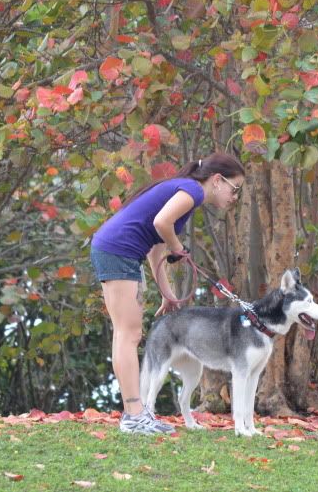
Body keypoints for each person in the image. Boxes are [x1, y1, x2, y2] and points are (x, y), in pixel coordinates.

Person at [90, 152, 245, 434]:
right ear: (218, 180)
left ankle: (136, 415)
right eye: (235, 189)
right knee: (128, 334)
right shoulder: (193, 191)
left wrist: (167, 293)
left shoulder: (186, 192)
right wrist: (178, 248)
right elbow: (162, 224)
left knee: (127, 333)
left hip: (119, 250)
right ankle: (135, 417)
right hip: (117, 250)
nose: (235, 197)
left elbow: (155, 246)